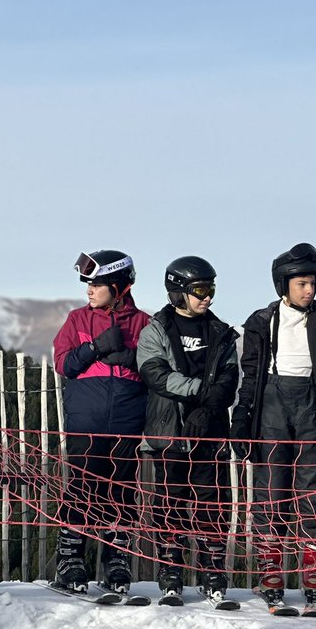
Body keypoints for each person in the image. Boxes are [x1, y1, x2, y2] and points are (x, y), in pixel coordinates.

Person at [229, 243, 316, 611]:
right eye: (302, 283)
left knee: (313, 490)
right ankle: (270, 571)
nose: (309, 290)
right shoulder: (260, 322)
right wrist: (242, 418)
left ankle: (314, 573)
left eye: (313, 283)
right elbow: (251, 375)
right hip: (271, 408)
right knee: (272, 488)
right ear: (283, 284)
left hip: (313, 411)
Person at [136, 256, 239, 603]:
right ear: (178, 292)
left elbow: (229, 379)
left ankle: (213, 568)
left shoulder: (221, 333)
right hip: (169, 430)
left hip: (210, 433)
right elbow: (155, 374)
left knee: (213, 501)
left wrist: (210, 408)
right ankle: (171, 569)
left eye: (211, 289)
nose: (207, 297)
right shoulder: (156, 330)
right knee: (170, 501)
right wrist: (199, 392)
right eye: (200, 290)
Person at [51, 250, 151, 594]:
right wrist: (95, 347)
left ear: (118, 286)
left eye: (96, 283)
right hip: (86, 417)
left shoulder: (143, 323)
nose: (89, 290)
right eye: (88, 284)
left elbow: (157, 369)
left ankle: (116, 559)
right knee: (81, 486)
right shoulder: (77, 319)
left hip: (126, 417)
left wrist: (134, 359)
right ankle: (70, 560)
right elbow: (63, 364)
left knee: (120, 489)